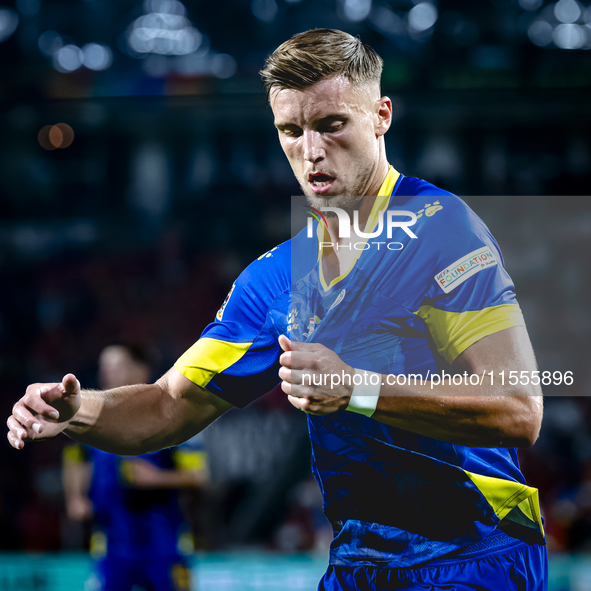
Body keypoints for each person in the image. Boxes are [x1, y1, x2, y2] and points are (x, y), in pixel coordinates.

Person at [7, 29, 546, 590]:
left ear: (381, 115)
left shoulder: (441, 228)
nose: (311, 151)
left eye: (332, 124)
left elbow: (518, 408)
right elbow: (168, 405)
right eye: (291, 131)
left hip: (475, 558)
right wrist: (77, 413)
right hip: (358, 567)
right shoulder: (275, 278)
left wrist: (359, 389)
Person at [62, 344, 207, 591]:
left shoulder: (175, 413)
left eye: (117, 366)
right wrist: (75, 498)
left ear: (142, 370)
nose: (108, 373)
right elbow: (75, 457)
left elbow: (199, 478)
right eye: (104, 367)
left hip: (165, 541)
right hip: (111, 542)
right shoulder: (93, 414)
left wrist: (157, 478)